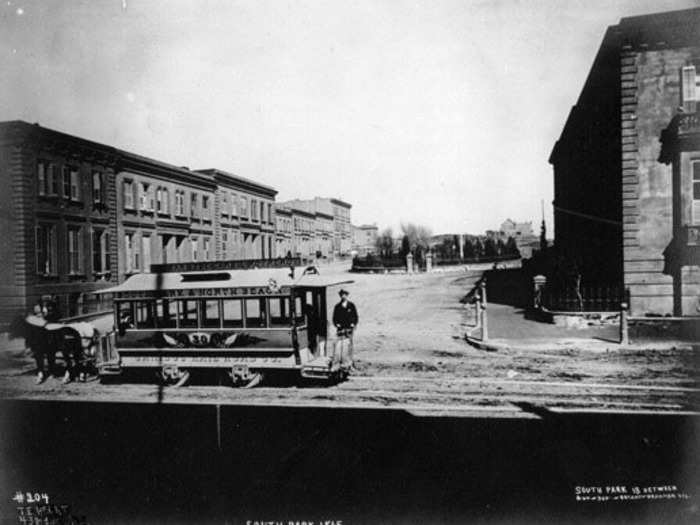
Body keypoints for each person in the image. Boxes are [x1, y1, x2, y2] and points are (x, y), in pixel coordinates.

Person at [25, 304, 54, 384]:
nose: (39, 315)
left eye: (40, 313)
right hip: (38, 344)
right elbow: (29, 335)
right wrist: (28, 346)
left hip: (48, 343)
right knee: (39, 358)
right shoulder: (32, 323)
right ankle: (41, 373)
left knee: (50, 356)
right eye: (37, 313)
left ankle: (51, 371)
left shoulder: (47, 321)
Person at [332, 289, 358, 370]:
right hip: (340, 330)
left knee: (349, 346)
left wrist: (353, 324)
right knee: (339, 346)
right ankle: (340, 363)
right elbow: (334, 318)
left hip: (349, 329)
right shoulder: (337, 306)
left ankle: (350, 364)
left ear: (347, 295)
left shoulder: (351, 305)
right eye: (342, 295)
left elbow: (355, 316)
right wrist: (337, 324)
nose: (343, 296)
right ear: (340, 296)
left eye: (345, 294)